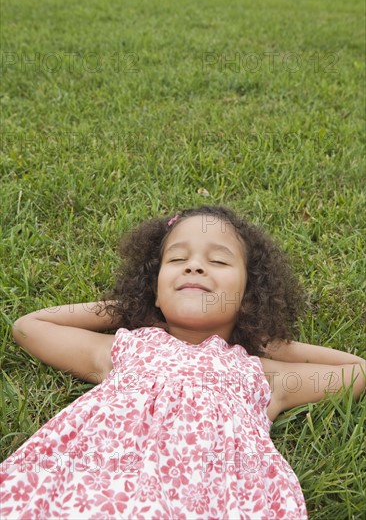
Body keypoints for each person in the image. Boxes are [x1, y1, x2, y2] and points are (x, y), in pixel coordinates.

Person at [1, 205, 365, 519]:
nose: (194, 267)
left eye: (218, 260)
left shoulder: (261, 373)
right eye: (177, 259)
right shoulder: (124, 349)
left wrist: (275, 345)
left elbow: (356, 372)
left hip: (214, 501)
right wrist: (126, 310)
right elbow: (30, 327)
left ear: (249, 299)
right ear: (155, 290)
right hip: (98, 489)